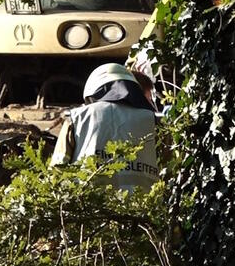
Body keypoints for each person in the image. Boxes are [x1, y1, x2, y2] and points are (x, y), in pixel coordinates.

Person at [50, 63, 158, 191]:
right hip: (145, 206)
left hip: (86, 205)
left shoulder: (76, 118)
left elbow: (58, 169)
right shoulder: (153, 120)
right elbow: (170, 167)